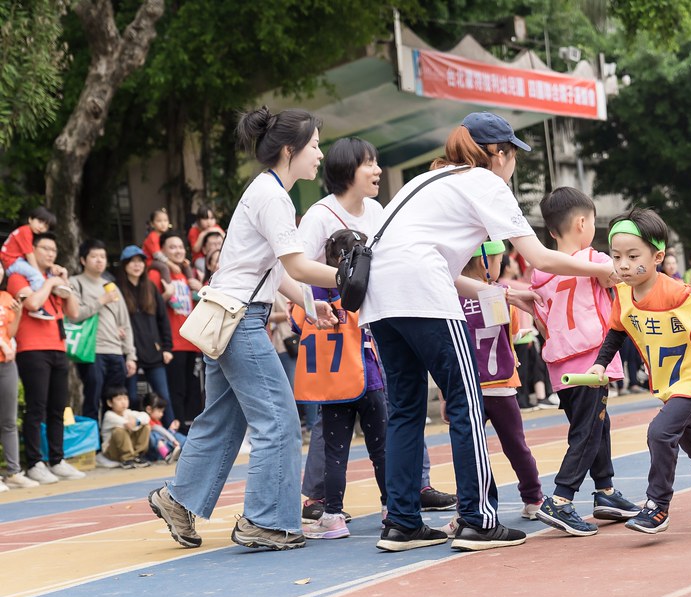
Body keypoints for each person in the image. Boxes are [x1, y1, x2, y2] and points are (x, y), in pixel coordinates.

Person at [359, 112, 620, 553]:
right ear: (498, 154)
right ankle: (478, 519)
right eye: (512, 153)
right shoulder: (485, 182)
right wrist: (605, 268)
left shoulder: (424, 182)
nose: (513, 162)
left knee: (405, 409)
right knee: (466, 401)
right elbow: (538, 257)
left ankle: (402, 522)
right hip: (423, 296)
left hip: (379, 300)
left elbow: (426, 261)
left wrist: (499, 292)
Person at [147, 106, 347, 552]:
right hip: (240, 319)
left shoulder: (267, 190)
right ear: (290, 150)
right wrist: (345, 279)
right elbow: (294, 264)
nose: (319, 155)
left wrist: (312, 306)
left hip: (230, 314)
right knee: (277, 420)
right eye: (314, 146)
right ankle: (265, 521)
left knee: (222, 419)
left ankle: (178, 500)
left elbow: (277, 271)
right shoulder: (274, 197)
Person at [587, 207, 691, 534]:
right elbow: (617, 331)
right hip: (670, 380)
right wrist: (599, 363)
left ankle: (657, 506)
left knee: (660, 433)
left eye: (632, 255)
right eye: (616, 255)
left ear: (657, 257)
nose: (622, 264)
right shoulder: (623, 293)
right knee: (690, 438)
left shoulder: (676, 292)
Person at [294, 137, 390, 539]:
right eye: (369, 163)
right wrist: (309, 308)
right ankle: (390, 506)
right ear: (348, 169)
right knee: (374, 434)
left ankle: (347, 511)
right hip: (342, 345)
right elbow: (295, 272)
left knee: (373, 434)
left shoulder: (380, 211)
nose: (377, 170)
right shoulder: (318, 216)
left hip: (374, 342)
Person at [530, 188, 636, 536]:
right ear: (581, 223)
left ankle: (605, 491)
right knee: (589, 431)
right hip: (590, 357)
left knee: (594, 425)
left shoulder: (540, 271)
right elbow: (621, 276)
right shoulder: (596, 259)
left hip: (561, 361)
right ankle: (560, 498)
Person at [448, 241, 544, 522]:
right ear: (483, 262)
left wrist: (445, 395)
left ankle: (469, 507)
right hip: (500, 382)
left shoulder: (451, 298)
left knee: (468, 450)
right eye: (499, 260)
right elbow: (513, 334)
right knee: (516, 445)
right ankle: (534, 497)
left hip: (466, 385)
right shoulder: (497, 295)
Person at [7, 232, 84, 483]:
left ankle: (57, 459)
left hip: (58, 348)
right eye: (45, 248)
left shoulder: (55, 279)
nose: (50, 254)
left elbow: (73, 313)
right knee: (36, 406)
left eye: (54, 249)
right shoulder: (18, 277)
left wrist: (64, 282)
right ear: (33, 250)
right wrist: (50, 284)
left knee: (58, 407)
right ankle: (34, 462)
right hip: (32, 348)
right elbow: (32, 303)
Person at [68, 239, 137, 421]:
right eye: (94, 256)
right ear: (83, 260)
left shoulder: (112, 286)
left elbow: (125, 323)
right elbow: (74, 315)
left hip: (115, 351)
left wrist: (130, 355)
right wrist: (101, 301)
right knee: (92, 398)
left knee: (114, 403)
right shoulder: (75, 283)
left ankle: (111, 445)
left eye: (103, 256)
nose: (99, 260)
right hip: (91, 351)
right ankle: (93, 446)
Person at [148, 232, 202, 432]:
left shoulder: (189, 275)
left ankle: (194, 432)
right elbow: (149, 307)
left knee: (192, 391)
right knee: (176, 391)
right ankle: (180, 433)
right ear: (162, 250)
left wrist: (200, 287)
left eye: (180, 247)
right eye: (172, 247)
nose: (178, 251)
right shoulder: (157, 274)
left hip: (192, 341)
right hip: (173, 343)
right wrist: (166, 294)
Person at [115, 245, 175, 423]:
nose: (137, 265)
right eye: (132, 262)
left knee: (163, 396)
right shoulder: (117, 289)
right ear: (124, 265)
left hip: (153, 350)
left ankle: (174, 438)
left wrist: (167, 348)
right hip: (129, 352)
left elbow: (163, 319)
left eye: (140, 261)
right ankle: (137, 441)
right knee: (131, 397)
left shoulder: (150, 287)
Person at [0, 263, 34, 490]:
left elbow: (10, 332)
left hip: (6, 364)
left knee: (9, 420)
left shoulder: (5, 297)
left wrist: (19, 311)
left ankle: (13, 472)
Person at [0, 207, 61, 318]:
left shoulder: (26, 231)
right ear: (30, 219)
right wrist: (37, 272)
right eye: (40, 222)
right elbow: (30, 255)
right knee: (37, 276)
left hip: (13, 260)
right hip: (11, 261)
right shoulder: (26, 231)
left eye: (46, 226)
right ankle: (39, 305)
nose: (41, 227)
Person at [97, 385, 152, 469]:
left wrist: (137, 421)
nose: (123, 402)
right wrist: (135, 423)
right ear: (109, 403)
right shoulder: (109, 415)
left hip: (129, 447)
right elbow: (128, 425)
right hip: (112, 452)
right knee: (119, 431)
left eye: (125, 398)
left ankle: (138, 456)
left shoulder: (127, 412)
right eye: (119, 399)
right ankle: (127, 459)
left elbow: (146, 417)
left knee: (146, 427)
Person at [141, 392, 183, 463]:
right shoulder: (146, 420)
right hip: (153, 451)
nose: (162, 414)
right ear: (149, 409)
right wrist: (172, 439)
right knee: (155, 435)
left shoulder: (157, 421)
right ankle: (167, 455)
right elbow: (158, 430)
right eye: (159, 411)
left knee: (175, 434)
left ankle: (184, 448)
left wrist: (171, 430)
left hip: (164, 445)